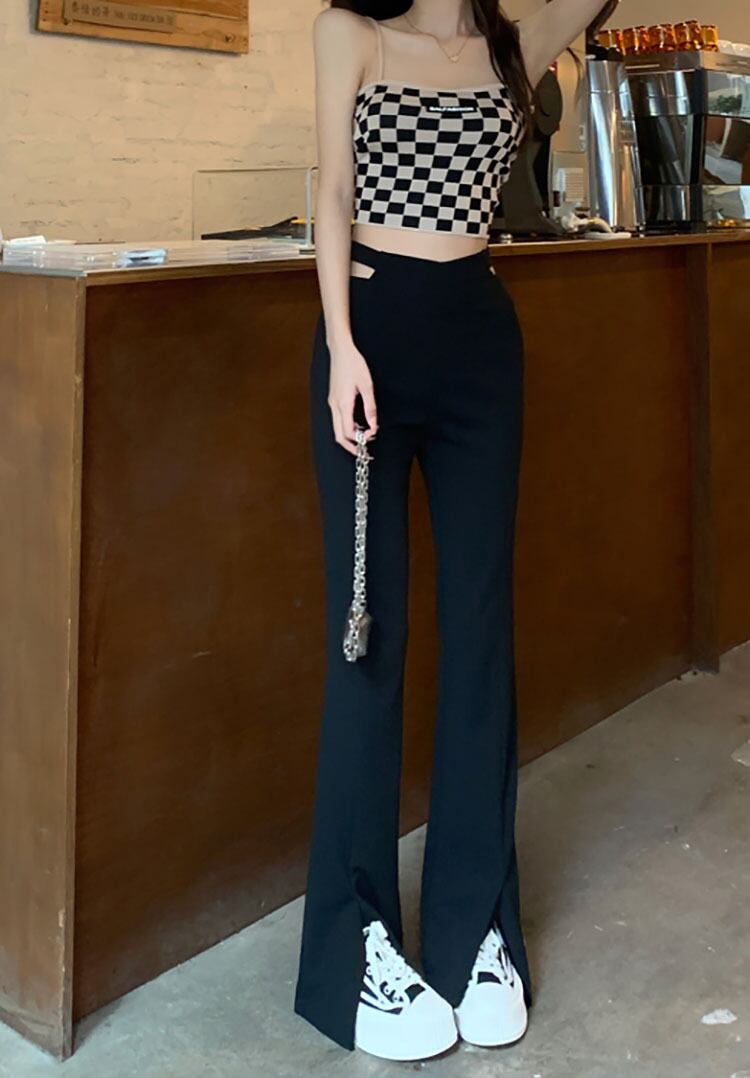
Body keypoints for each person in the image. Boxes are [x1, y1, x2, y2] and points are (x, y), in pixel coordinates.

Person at [294, 0, 617, 1062]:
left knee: (480, 633)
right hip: (371, 338)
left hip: (479, 339)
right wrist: (341, 346)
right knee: (369, 635)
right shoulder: (350, 33)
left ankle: (476, 927)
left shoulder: (517, 42)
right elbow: (332, 191)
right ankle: (354, 954)